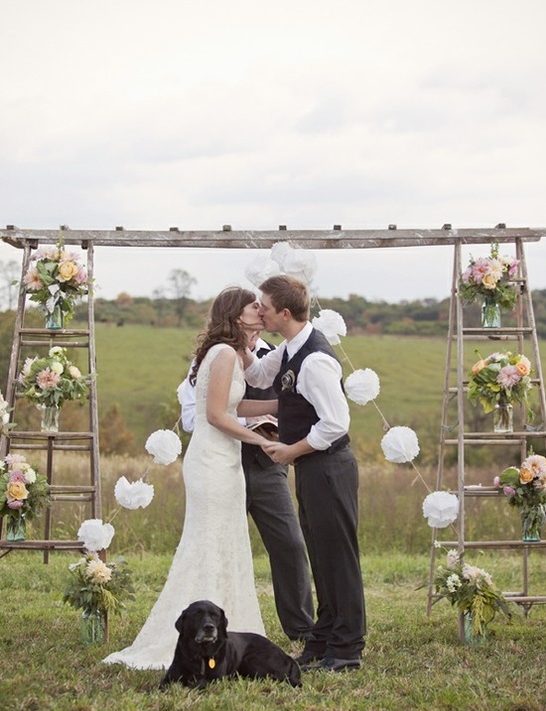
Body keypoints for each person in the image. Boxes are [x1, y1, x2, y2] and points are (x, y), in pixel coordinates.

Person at [104, 287, 278, 670]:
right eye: (254, 306)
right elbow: (216, 415)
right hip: (212, 460)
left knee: (226, 541)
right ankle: (196, 631)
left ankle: (221, 631)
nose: (260, 310)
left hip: (225, 459)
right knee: (208, 542)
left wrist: (280, 405)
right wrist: (260, 441)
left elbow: (235, 404)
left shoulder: (233, 353)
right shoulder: (222, 353)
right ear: (236, 314)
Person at [244, 275, 366, 673]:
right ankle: (324, 639)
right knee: (320, 554)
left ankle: (347, 649)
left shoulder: (313, 360)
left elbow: (336, 423)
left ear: (283, 312)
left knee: (338, 559)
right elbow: (259, 377)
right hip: (313, 469)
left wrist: (289, 451)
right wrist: (241, 339)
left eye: (263, 305)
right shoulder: (288, 349)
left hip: (330, 468)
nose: (258, 309)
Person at [178, 333, 315, 643]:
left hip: (268, 468)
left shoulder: (280, 359)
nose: (257, 326)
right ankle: (206, 627)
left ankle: (302, 629)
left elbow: (292, 408)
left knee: (290, 544)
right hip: (223, 466)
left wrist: (279, 425)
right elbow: (192, 417)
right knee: (217, 547)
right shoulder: (210, 359)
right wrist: (246, 421)